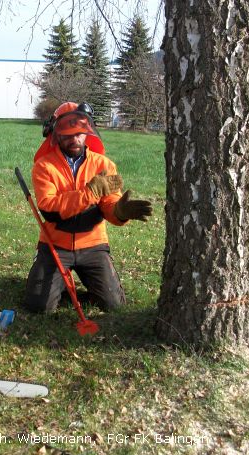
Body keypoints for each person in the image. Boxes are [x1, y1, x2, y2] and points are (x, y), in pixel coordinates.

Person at [25, 101, 153, 313]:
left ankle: (69, 286)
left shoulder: (104, 165)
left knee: (113, 305)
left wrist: (120, 212)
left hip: (93, 245)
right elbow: (49, 208)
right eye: (68, 133)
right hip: (55, 244)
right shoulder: (44, 166)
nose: (75, 139)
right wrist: (89, 193)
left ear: (88, 132)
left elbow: (109, 203)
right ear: (56, 134)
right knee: (38, 307)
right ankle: (58, 284)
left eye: (80, 132)